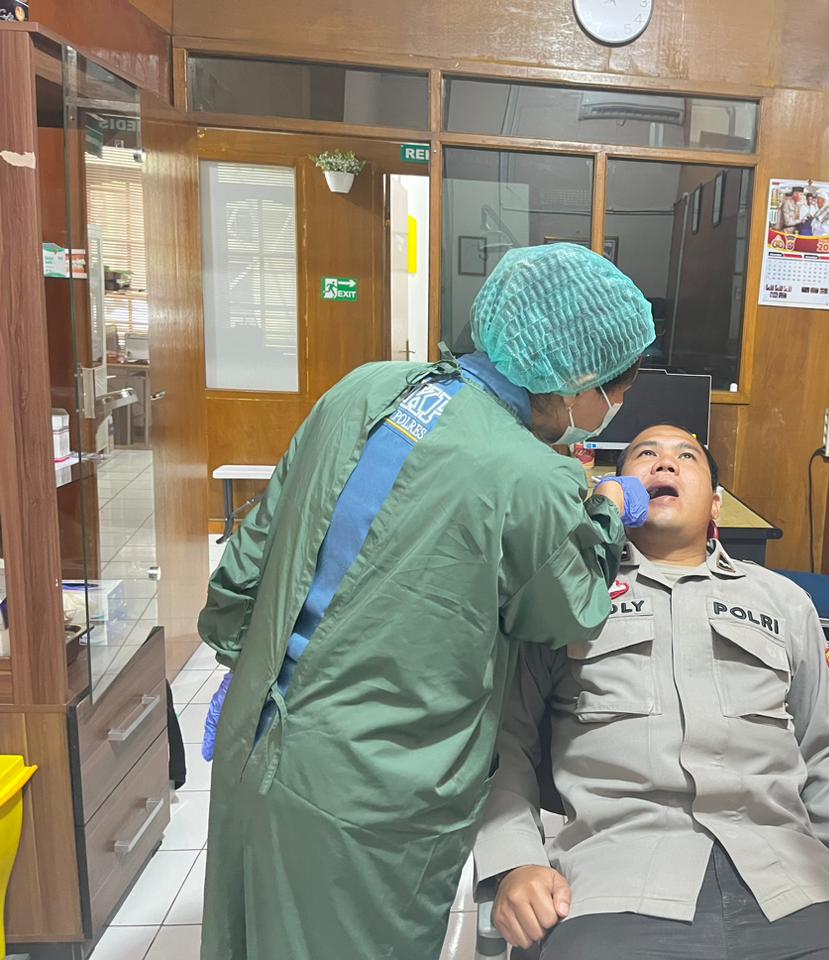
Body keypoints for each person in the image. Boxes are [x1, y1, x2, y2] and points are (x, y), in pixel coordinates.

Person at [197, 243, 656, 960]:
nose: (612, 410)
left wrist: (251, 669)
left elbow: (250, 556)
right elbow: (565, 610)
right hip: (368, 796)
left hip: (255, 734)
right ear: (579, 380)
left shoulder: (365, 387)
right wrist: (605, 511)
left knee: (245, 935)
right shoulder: (532, 478)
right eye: (615, 393)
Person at [474, 424, 829, 960]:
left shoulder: (785, 603)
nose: (664, 464)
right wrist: (514, 863)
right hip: (613, 886)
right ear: (617, 493)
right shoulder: (566, 599)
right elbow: (504, 743)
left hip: (792, 883)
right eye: (645, 454)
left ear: (716, 505)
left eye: (687, 457)